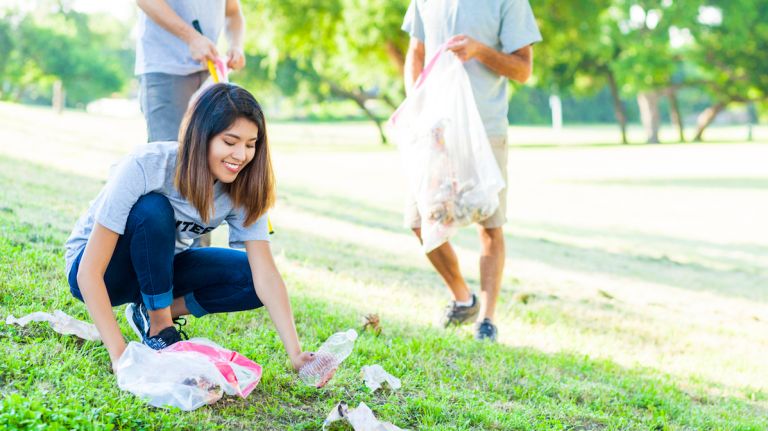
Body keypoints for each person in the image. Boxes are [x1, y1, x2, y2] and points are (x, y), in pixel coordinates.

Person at [65, 84, 315, 374]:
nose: (241, 155)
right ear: (201, 136)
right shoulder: (148, 165)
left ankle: (152, 310)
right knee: (153, 208)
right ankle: (160, 328)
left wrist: (296, 354)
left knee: (251, 277)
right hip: (102, 272)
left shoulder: (244, 188)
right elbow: (88, 272)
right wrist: (120, 357)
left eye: (250, 144)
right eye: (230, 141)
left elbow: (266, 276)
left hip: (161, 271)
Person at [402, 0, 542, 341]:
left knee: (489, 225)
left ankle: (487, 320)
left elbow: (523, 69)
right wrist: (417, 109)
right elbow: (415, 53)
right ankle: (464, 299)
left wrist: (480, 51)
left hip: (485, 129)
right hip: (435, 131)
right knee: (419, 220)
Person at [136, 0, 247, 247]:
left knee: (208, 165)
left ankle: (197, 254)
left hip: (210, 69)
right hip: (165, 67)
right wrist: (191, 37)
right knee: (171, 166)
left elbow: (232, 12)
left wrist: (236, 46)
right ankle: (163, 255)